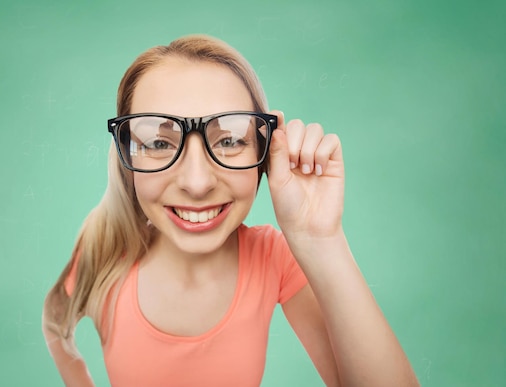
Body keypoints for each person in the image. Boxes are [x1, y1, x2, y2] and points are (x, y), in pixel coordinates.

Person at [42, 34, 419, 387]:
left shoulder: (273, 258)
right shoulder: (105, 252)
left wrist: (320, 238)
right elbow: (55, 323)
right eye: (158, 141)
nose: (197, 182)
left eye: (230, 140)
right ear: (127, 156)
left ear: (265, 152)